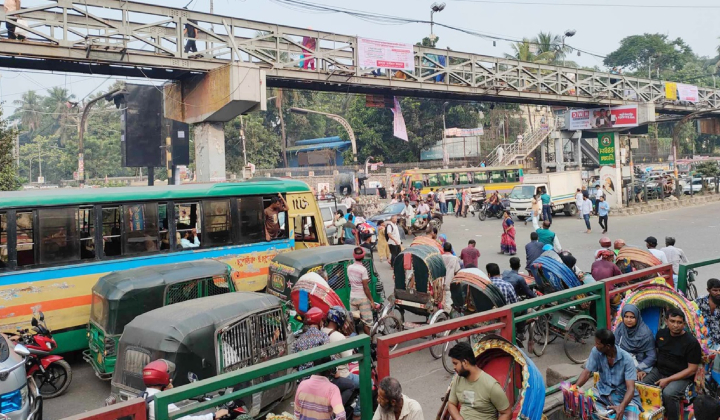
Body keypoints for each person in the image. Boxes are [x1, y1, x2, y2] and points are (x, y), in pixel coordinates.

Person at [640, 308, 702, 420]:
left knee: (668, 394)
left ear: (684, 323)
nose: (675, 325)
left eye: (679, 322)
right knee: (643, 385)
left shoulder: (691, 343)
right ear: (666, 321)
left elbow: (692, 369)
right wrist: (645, 370)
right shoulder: (661, 334)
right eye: (672, 321)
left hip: (681, 376)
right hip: (659, 371)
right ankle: (650, 415)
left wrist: (668, 380)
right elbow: (655, 355)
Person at [575, 329, 642, 420]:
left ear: (608, 346)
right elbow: (587, 372)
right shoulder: (596, 352)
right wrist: (573, 388)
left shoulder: (627, 359)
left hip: (622, 397)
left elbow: (630, 388)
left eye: (598, 344)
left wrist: (621, 407)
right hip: (602, 392)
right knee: (580, 401)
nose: (595, 345)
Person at [143, 359, 228, 420]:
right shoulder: (162, 405)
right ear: (162, 379)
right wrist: (213, 416)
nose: (171, 380)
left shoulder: (144, 396)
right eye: (168, 377)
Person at [447, 342, 512, 420]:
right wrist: (459, 418)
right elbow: (451, 404)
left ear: (465, 362)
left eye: (455, 363)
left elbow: (507, 413)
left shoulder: (491, 386)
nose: (454, 367)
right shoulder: (458, 378)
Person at [614, 304, 657, 375]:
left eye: (632, 317)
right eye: (626, 316)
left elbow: (652, 357)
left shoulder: (645, 333)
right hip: (622, 360)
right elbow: (614, 346)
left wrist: (638, 368)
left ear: (637, 317)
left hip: (639, 364)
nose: (628, 320)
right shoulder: (620, 328)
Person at [292, 307, 330, 371]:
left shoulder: (299, 339)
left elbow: (294, 363)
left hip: (303, 377)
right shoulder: (323, 336)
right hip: (319, 374)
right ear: (320, 322)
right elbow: (329, 356)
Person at [348, 247, 375, 335]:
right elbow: (365, 287)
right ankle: (369, 344)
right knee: (367, 323)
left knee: (353, 322)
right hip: (362, 299)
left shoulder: (349, 268)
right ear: (363, 257)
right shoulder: (363, 270)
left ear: (354, 256)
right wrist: (371, 300)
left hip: (352, 298)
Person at [695, 278, 720, 347]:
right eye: (715, 290)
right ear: (708, 290)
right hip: (703, 340)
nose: (718, 293)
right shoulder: (700, 301)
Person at [441, 242, 461, 310]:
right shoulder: (454, 258)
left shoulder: (440, 257)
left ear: (443, 249)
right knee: (448, 304)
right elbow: (457, 271)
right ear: (451, 250)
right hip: (449, 285)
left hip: (440, 286)